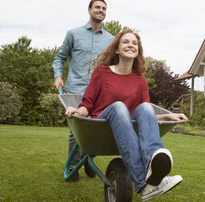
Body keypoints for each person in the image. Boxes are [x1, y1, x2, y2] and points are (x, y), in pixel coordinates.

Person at [65, 29, 188, 201]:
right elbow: (87, 104)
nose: (130, 45)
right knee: (119, 107)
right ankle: (141, 181)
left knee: (145, 106)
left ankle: (154, 163)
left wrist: (167, 116)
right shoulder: (102, 72)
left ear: (138, 51)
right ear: (116, 49)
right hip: (101, 126)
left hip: (126, 127)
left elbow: (143, 116)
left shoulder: (140, 81)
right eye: (125, 42)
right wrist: (78, 111)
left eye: (134, 43)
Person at [52, 0, 114, 182]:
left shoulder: (111, 40)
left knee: (96, 129)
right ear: (89, 10)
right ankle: (73, 167)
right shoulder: (73, 34)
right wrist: (57, 76)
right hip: (75, 89)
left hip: (99, 93)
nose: (100, 10)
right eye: (97, 7)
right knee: (76, 132)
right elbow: (59, 58)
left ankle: (87, 160)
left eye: (103, 8)